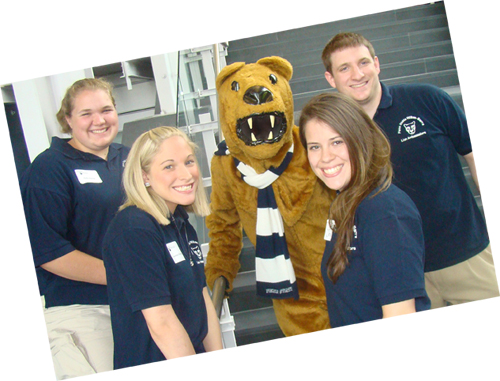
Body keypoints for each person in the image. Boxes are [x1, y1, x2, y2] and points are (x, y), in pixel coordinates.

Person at [321, 32, 499, 309]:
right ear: (331, 79)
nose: (357, 74)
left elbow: (475, 156)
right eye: (344, 68)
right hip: (403, 275)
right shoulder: (335, 135)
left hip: (468, 257)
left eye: (364, 62)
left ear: (377, 64)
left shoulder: (428, 99)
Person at [20, 78, 130, 379]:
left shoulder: (129, 157)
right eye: (86, 113)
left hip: (137, 305)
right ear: (67, 119)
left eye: (106, 110)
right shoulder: (49, 168)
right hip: (84, 312)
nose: (99, 120)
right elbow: (48, 252)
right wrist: (127, 276)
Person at [298, 92, 430, 327]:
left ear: (359, 138)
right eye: (315, 147)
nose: (325, 158)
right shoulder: (346, 200)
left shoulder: (385, 212)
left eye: (337, 142)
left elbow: (401, 318)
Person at [102, 126, 223, 370]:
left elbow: (201, 296)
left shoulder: (179, 222)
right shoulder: (133, 229)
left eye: (189, 162)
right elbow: (161, 322)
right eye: (169, 166)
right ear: (144, 175)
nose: (186, 174)